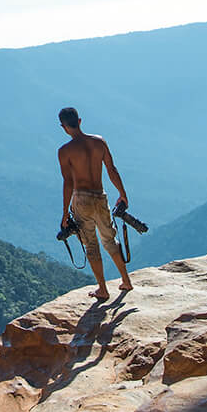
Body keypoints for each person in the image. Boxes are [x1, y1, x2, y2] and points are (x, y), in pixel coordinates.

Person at [56, 106, 133, 301]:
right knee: (110, 240)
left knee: (91, 245)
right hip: (100, 196)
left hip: (81, 199)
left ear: (63, 127)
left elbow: (68, 183)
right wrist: (123, 194)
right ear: (80, 121)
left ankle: (103, 289)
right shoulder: (99, 142)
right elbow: (111, 169)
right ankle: (126, 280)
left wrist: (65, 213)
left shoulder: (65, 151)